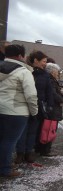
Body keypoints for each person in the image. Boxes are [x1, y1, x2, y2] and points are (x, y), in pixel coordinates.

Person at [0, 44, 38, 177]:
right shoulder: (23, 72)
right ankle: (4, 169)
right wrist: (34, 112)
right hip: (16, 111)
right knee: (9, 141)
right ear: (21, 56)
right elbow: (31, 95)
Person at [16, 50, 53, 163]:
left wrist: (50, 105)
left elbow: (49, 92)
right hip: (23, 105)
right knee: (22, 131)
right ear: (35, 60)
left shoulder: (45, 75)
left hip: (38, 106)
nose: (45, 64)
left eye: (46, 62)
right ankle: (20, 153)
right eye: (43, 61)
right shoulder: (26, 72)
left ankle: (28, 152)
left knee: (33, 130)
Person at [39, 63, 63, 156]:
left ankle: (46, 149)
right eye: (56, 71)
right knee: (49, 129)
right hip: (52, 108)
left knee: (49, 128)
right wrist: (62, 100)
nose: (58, 73)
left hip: (53, 108)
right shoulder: (50, 80)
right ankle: (46, 150)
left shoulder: (51, 80)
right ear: (52, 71)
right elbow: (53, 94)